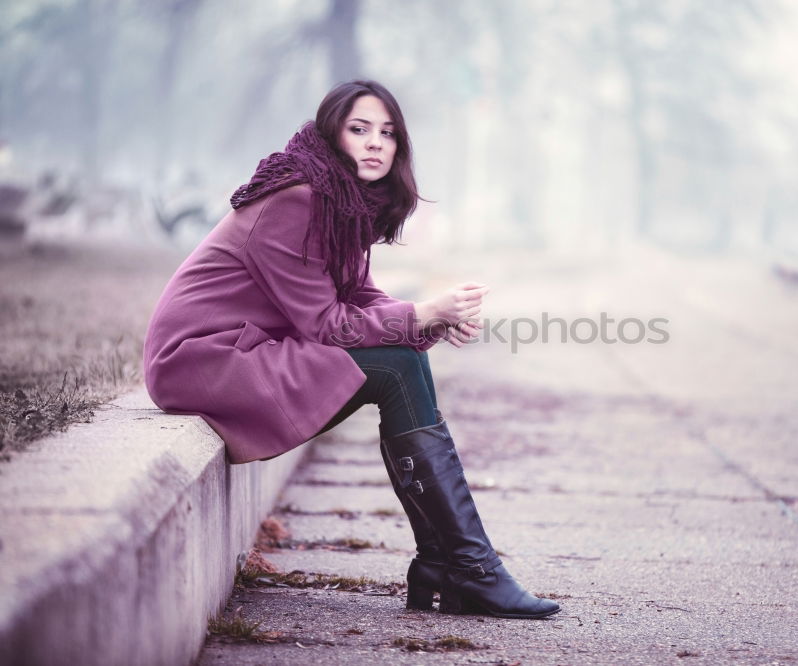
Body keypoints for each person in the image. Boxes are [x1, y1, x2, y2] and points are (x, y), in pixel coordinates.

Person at [142, 80, 560, 620]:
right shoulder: (297, 199)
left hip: (244, 352)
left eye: (387, 133)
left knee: (403, 359)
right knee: (395, 366)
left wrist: (430, 321)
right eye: (358, 129)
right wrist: (422, 314)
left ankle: (451, 563)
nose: (375, 144)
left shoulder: (335, 200)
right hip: (201, 360)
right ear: (330, 136)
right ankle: (466, 568)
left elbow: (358, 296)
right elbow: (326, 324)